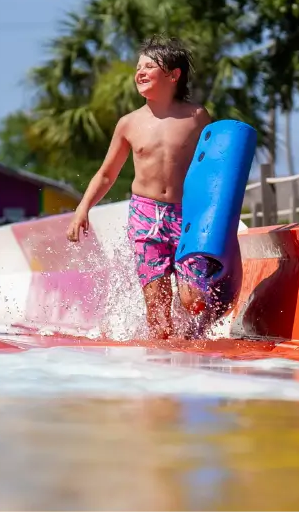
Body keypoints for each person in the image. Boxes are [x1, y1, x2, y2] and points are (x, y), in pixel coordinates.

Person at [66, 36, 213, 339]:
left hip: (188, 215)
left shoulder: (196, 117)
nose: (140, 72)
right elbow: (107, 174)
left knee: (192, 299)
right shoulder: (129, 123)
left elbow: (214, 171)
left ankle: (192, 344)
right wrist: (83, 208)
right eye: (138, 67)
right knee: (158, 306)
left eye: (150, 66)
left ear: (174, 75)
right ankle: (162, 366)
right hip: (146, 215)